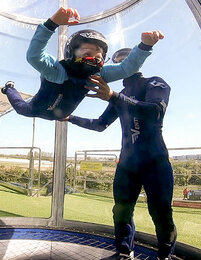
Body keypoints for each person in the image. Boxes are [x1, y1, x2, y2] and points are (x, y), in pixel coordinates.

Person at [64, 49, 176, 260]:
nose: (122, 62)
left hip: (156, 161)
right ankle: (125, 253)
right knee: (121, 212)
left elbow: (155, 111)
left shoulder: (154, 83)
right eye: (117, 60)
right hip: (127, 164)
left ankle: (165, 256)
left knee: (161, 214)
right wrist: (70, 117)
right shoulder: (117, 97)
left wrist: (114, 96)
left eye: (126, 59)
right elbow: (99, 124)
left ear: (137, 62)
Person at [1, 7, 164, 120]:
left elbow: (127, 68)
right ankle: (9, 88)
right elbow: (34, 56)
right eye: (88, 53)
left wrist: (144, 46)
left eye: (100, 56)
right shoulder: (57, 71)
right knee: (21, 108)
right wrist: (51, 24)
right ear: (70, 54)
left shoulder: (99, 74)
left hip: (62, 114)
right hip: (36, 110)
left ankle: (10, 89)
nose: (95, 59)